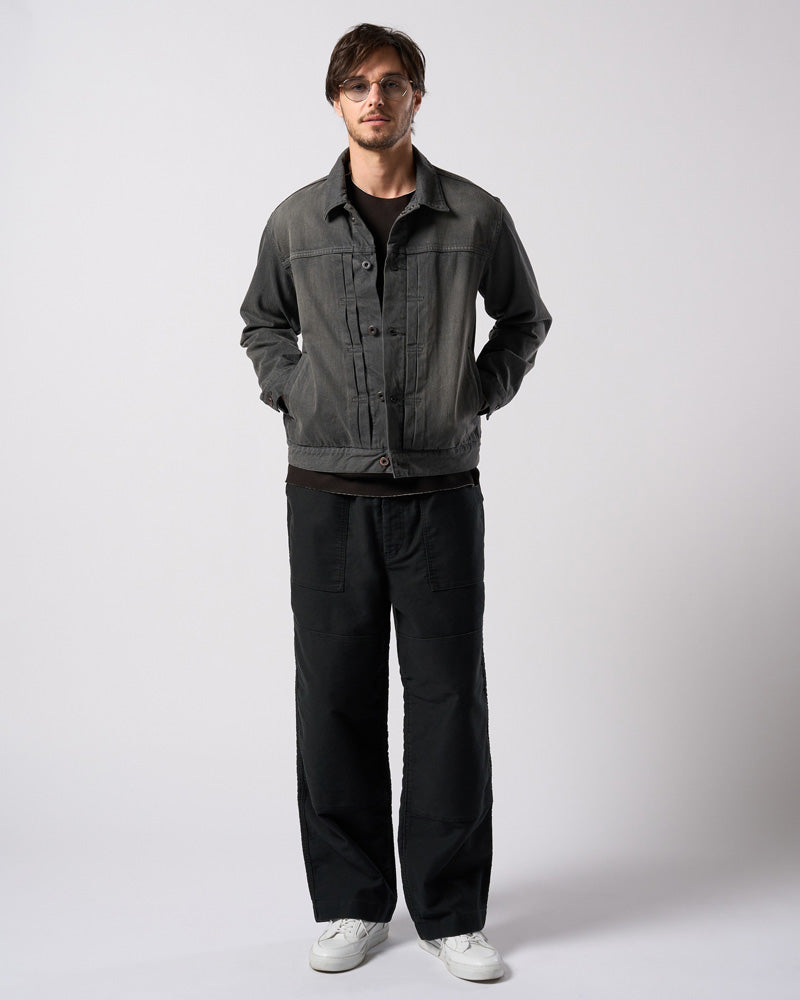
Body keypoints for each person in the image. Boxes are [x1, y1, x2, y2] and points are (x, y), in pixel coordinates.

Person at [239, 22, 552, 982]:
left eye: (391, 82)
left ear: (417, 96)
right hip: (325, 495)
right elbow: (261, 324)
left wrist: (475, 393)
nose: (374, 98)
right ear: (336, 101)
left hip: (440, 494)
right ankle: (352, 902)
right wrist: (296, 390)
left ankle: (452, 913)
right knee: (334, 697)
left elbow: (524, 319)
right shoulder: (296, 222)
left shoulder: (475, 216)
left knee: (449, 701)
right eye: (357, 85)